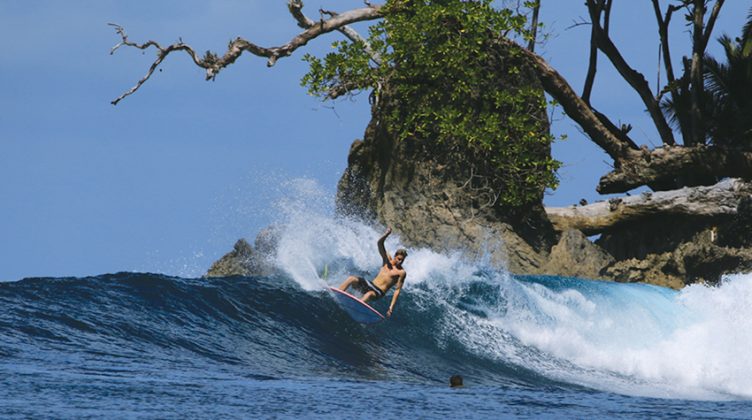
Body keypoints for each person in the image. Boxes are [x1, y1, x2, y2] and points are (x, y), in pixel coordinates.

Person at [338, 227, 407, 317]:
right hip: (370, 284)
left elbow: (397, 290)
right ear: (395, 256)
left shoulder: (401, 272)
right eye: (399, 259)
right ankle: (338, 294)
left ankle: (356, 308)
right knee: (352, 279)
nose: (400, 262)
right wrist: (385, 235)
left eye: (402, 260)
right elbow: (380, 243)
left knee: (369, 294)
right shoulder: (387, 260)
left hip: (378, 292)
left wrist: (391, 308)